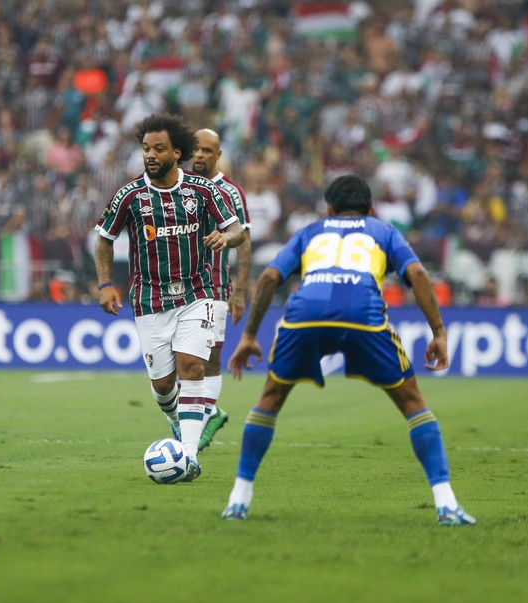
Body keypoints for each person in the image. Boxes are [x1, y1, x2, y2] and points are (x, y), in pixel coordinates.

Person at [223, 175, 475, 527]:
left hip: (305, 316)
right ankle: (446, 504)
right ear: (371, 209)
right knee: (413, 403)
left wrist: (249, 336)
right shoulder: (383, 231)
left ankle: (238, 500)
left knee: (270, 398)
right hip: (363, 318)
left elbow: (266, 279)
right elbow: (417, 272)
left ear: (328, 209)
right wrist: (439, 332)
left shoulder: (312, 231)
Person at [94, 112, 247, 480]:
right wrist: (104, 283)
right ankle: (178, 423)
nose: (150, 155)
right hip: (149, 300)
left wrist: (225, 238)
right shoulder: (129, 196)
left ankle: (190, 456)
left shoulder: (203, 191)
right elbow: (104, 240)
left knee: (192, 367)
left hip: (198, 292)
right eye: (146, 148)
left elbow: (238, 231)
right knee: (163, 386)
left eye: (158, 149)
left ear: (177, 152)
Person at [189, 128, 252, 453]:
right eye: (196, 149)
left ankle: (203, 421)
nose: (200, 155)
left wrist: (239, 291)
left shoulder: (230, 191)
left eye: (207, 150)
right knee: (179, 360)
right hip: (180, 288)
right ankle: (209, 411)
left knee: (209, 359)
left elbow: (243, 242)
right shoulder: (180, 185)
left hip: (214, 287)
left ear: (218, 155)